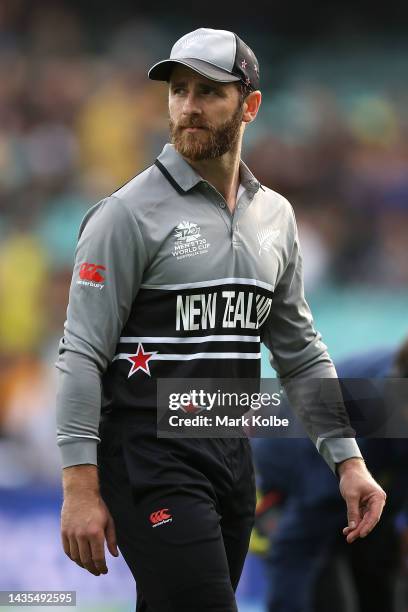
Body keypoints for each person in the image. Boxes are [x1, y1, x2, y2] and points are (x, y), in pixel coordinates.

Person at [55, 28, 386, 611]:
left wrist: (349, 460)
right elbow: (81, 353)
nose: (188, 107)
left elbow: (300, 351)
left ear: (250, 106)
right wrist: (80, 485)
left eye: (208, 92)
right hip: (146, 455)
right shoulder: (125, 215)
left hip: (233, 457)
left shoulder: (275, 217)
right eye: (179, 91)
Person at [253, 337, 408, 612]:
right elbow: (293, 554)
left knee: (381, 566)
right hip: (287, 482)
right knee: (326, 597)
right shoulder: (359, 436)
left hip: (373, 471)